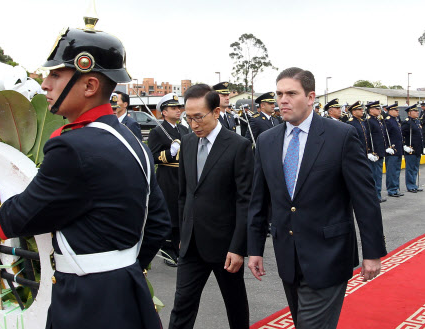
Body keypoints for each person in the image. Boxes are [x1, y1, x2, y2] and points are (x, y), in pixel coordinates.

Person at [0, 18, 170, 329]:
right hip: (128, 289)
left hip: (86, 302)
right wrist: (121, 267)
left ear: (89, 85)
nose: (45, 85)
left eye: (56, 75)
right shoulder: (131, 139)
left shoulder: (71, 147)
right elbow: (157, 223)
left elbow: (16, 219)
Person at [247, 67, 387, 329]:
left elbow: (365, 199)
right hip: (288, 257)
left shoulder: (341, 136)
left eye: (291, 93)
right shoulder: (267, 140)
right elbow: (259, 200)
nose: (282, 100)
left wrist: (373, 252)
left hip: (329, 256)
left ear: (310, 97)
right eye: (279, 94)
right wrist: (254, 248)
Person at [169, 84, 252, 329]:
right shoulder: (187, 143)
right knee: (182, 304)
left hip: (225, 246)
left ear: (216, 112)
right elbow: (185, 194)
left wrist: (238, 247)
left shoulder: (238, 146)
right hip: (191, 245)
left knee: (235, 304)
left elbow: (244, 200)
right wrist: (184, 233)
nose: (193, 124)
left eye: (198, 117)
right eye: (188, 117)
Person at [147, 93, 189, 267]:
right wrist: (170, 153)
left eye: (179, 107)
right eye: (173, 108)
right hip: (167, 177)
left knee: (182, 213)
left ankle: (180, 247)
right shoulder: (157, 131)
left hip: (183, 176)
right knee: (170, 213)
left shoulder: (184, 130)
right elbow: (153, 156)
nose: (178, 110)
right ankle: (168, 250)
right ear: (164, 112)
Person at [366, 101, 390, 203]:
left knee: (378, 175)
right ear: (371, 110)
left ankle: (378, 194)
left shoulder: (378, 120)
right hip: (374, 153)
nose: (379, 110)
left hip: (380, 152)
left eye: (379, 109)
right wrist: (369, 151)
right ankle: (374, 196)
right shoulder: (369, 121)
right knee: (374, 175)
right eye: (377, 109)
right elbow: (367, 137)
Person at [402, 104, 424, 193]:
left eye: (418, 111)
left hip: (417, 149)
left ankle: (414, 185)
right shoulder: (407, 123)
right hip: (410, 149)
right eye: (415, 111)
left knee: (415, 168)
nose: (417, 112)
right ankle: (410, 186)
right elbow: (401, 135)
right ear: (409, 113)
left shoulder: (417, 122)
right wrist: (404, 146)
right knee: (410, 169)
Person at [383, 104, 404, 197]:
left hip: (398, 149)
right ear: (390, 111)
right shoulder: (388, 121)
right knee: (391, 171)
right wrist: (387, 147)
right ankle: (391, 189)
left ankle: (395, 188)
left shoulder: (395, 120)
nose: (398, 112)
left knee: (396, 170)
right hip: (392, 150)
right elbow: (385, 135)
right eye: (396, 110)